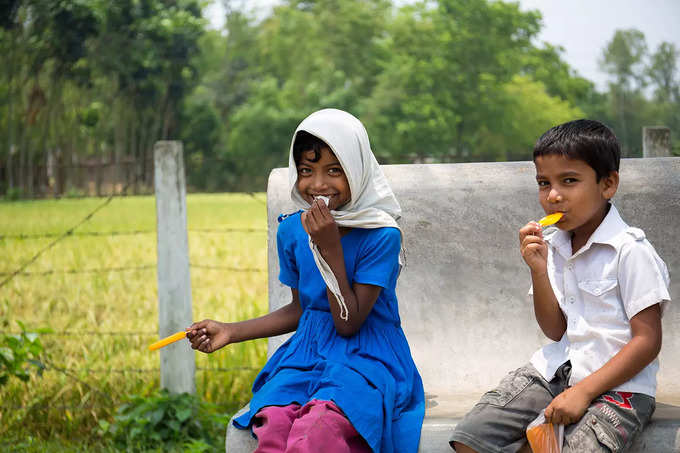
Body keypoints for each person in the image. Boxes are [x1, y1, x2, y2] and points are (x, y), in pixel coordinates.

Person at [186, 108, 425, 453]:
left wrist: (329, 249)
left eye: (334, 170)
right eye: (306, 171)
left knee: (320, 428)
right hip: (307, 351)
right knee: (275, 423)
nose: (318, 184)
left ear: (357, 170)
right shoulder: (292, 230)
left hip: (367, 355)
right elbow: (302, 310)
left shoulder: (381, 235)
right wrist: (230, 330)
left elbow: (348, 323)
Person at [449, 119, 671, 452]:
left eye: (569, 181)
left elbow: (648, 340)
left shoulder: (630, 250)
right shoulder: (552, 245)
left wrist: (582, 392)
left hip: (620, 388)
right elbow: (555, 331)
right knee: (470, 436)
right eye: (543, 183)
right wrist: (538, 270)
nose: (553, 196)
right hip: (556, 371)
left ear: (608, 184)